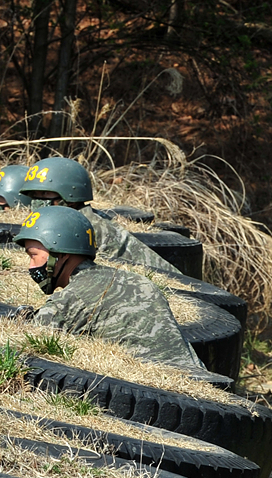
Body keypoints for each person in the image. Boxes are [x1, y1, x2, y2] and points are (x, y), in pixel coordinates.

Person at [11, 205, 203, 369]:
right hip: (199, 378)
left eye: (33, 255)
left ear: (60, 253)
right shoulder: (136, 280)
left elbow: (30, 340)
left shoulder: (73, 297)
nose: (31, 266)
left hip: (156, 386)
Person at [19, 157, 179, 273]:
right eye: (35, 194)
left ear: (70, 196)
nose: (38, 201)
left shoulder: (89, 226)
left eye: (46, 193)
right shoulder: (73, 220)